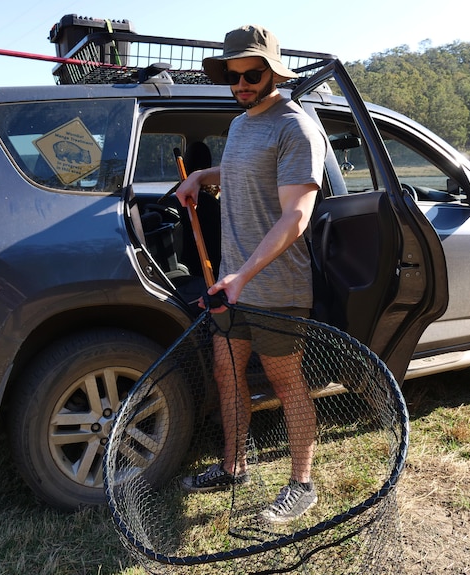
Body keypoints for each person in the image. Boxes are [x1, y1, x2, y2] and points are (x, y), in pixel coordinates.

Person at [177, 24, 327, 524]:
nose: (241, 83)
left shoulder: (296, 128)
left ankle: (302, 484)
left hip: (275, 286)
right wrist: (203, 175)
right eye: (233, 74)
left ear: (273, 72)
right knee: (226, 373)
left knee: (287, 385)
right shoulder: (241, 125)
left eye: (251, 73)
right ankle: (233, 465)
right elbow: (244, 173)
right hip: (231, 284)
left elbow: (296, 216)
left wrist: (243, 274)